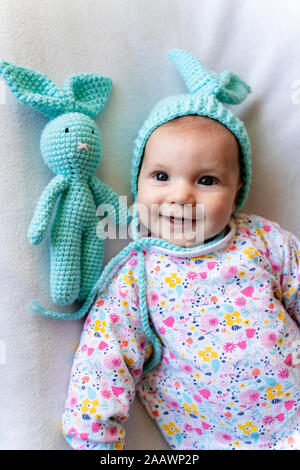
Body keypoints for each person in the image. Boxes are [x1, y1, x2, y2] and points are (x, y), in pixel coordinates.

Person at [62, 49, 300, 450]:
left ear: (236, 192)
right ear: (137, 183)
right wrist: (95, 439)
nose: (182, 195)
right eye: (161, 176)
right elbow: (103, 363)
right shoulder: (134, 278)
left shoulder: (262, 240)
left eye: (206, 180)